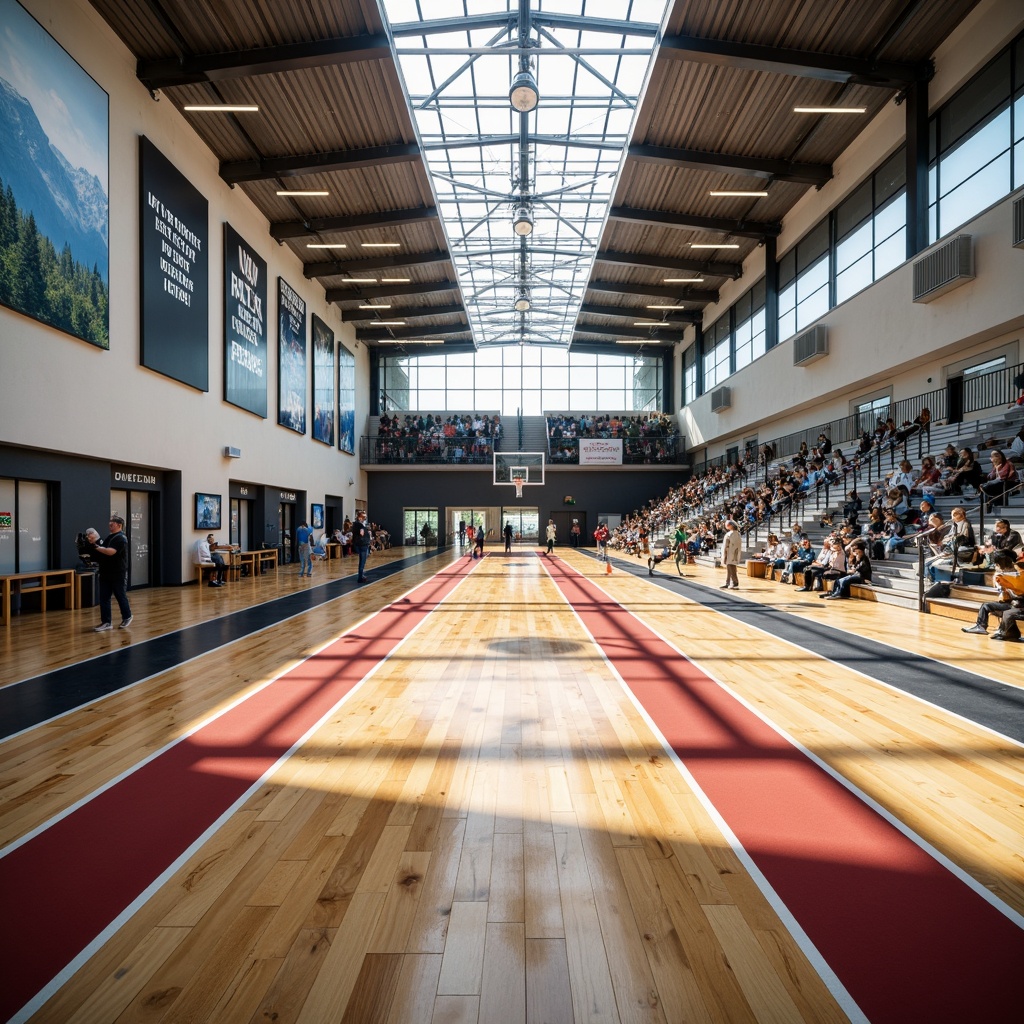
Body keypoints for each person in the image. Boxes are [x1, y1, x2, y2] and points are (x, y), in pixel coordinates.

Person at [92, 516, 132, 630]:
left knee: (120, 595)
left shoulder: (121, 538)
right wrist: (93, 544)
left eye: (112, 523)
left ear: (119, 525)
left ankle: (127, 616)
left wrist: (96, 546)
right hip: (105, 572)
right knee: (104, 597)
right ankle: (106, 622)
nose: (110, 524)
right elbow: (102, 549)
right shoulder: (110, 537)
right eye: (109, 522)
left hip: (118, 573)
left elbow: (110, 552)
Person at [720, 519, 742, 590]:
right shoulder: (737, 534)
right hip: (735, 553)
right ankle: (728, 582)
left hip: (730, 553)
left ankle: (734, 583)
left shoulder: (729, 534)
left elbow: (726, 546)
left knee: (731, 568)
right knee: (731, 568)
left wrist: (725, 555)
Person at [352, 509, 372, 582]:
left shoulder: (355, 524)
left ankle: (361, 575)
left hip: (359, 543)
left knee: (362, 560)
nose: (364, 519)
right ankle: (360, 577)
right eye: (364, 518)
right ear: (360, 517)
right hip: (362, 544)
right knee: (362, 561)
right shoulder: (360, 525)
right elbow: (361, 533)